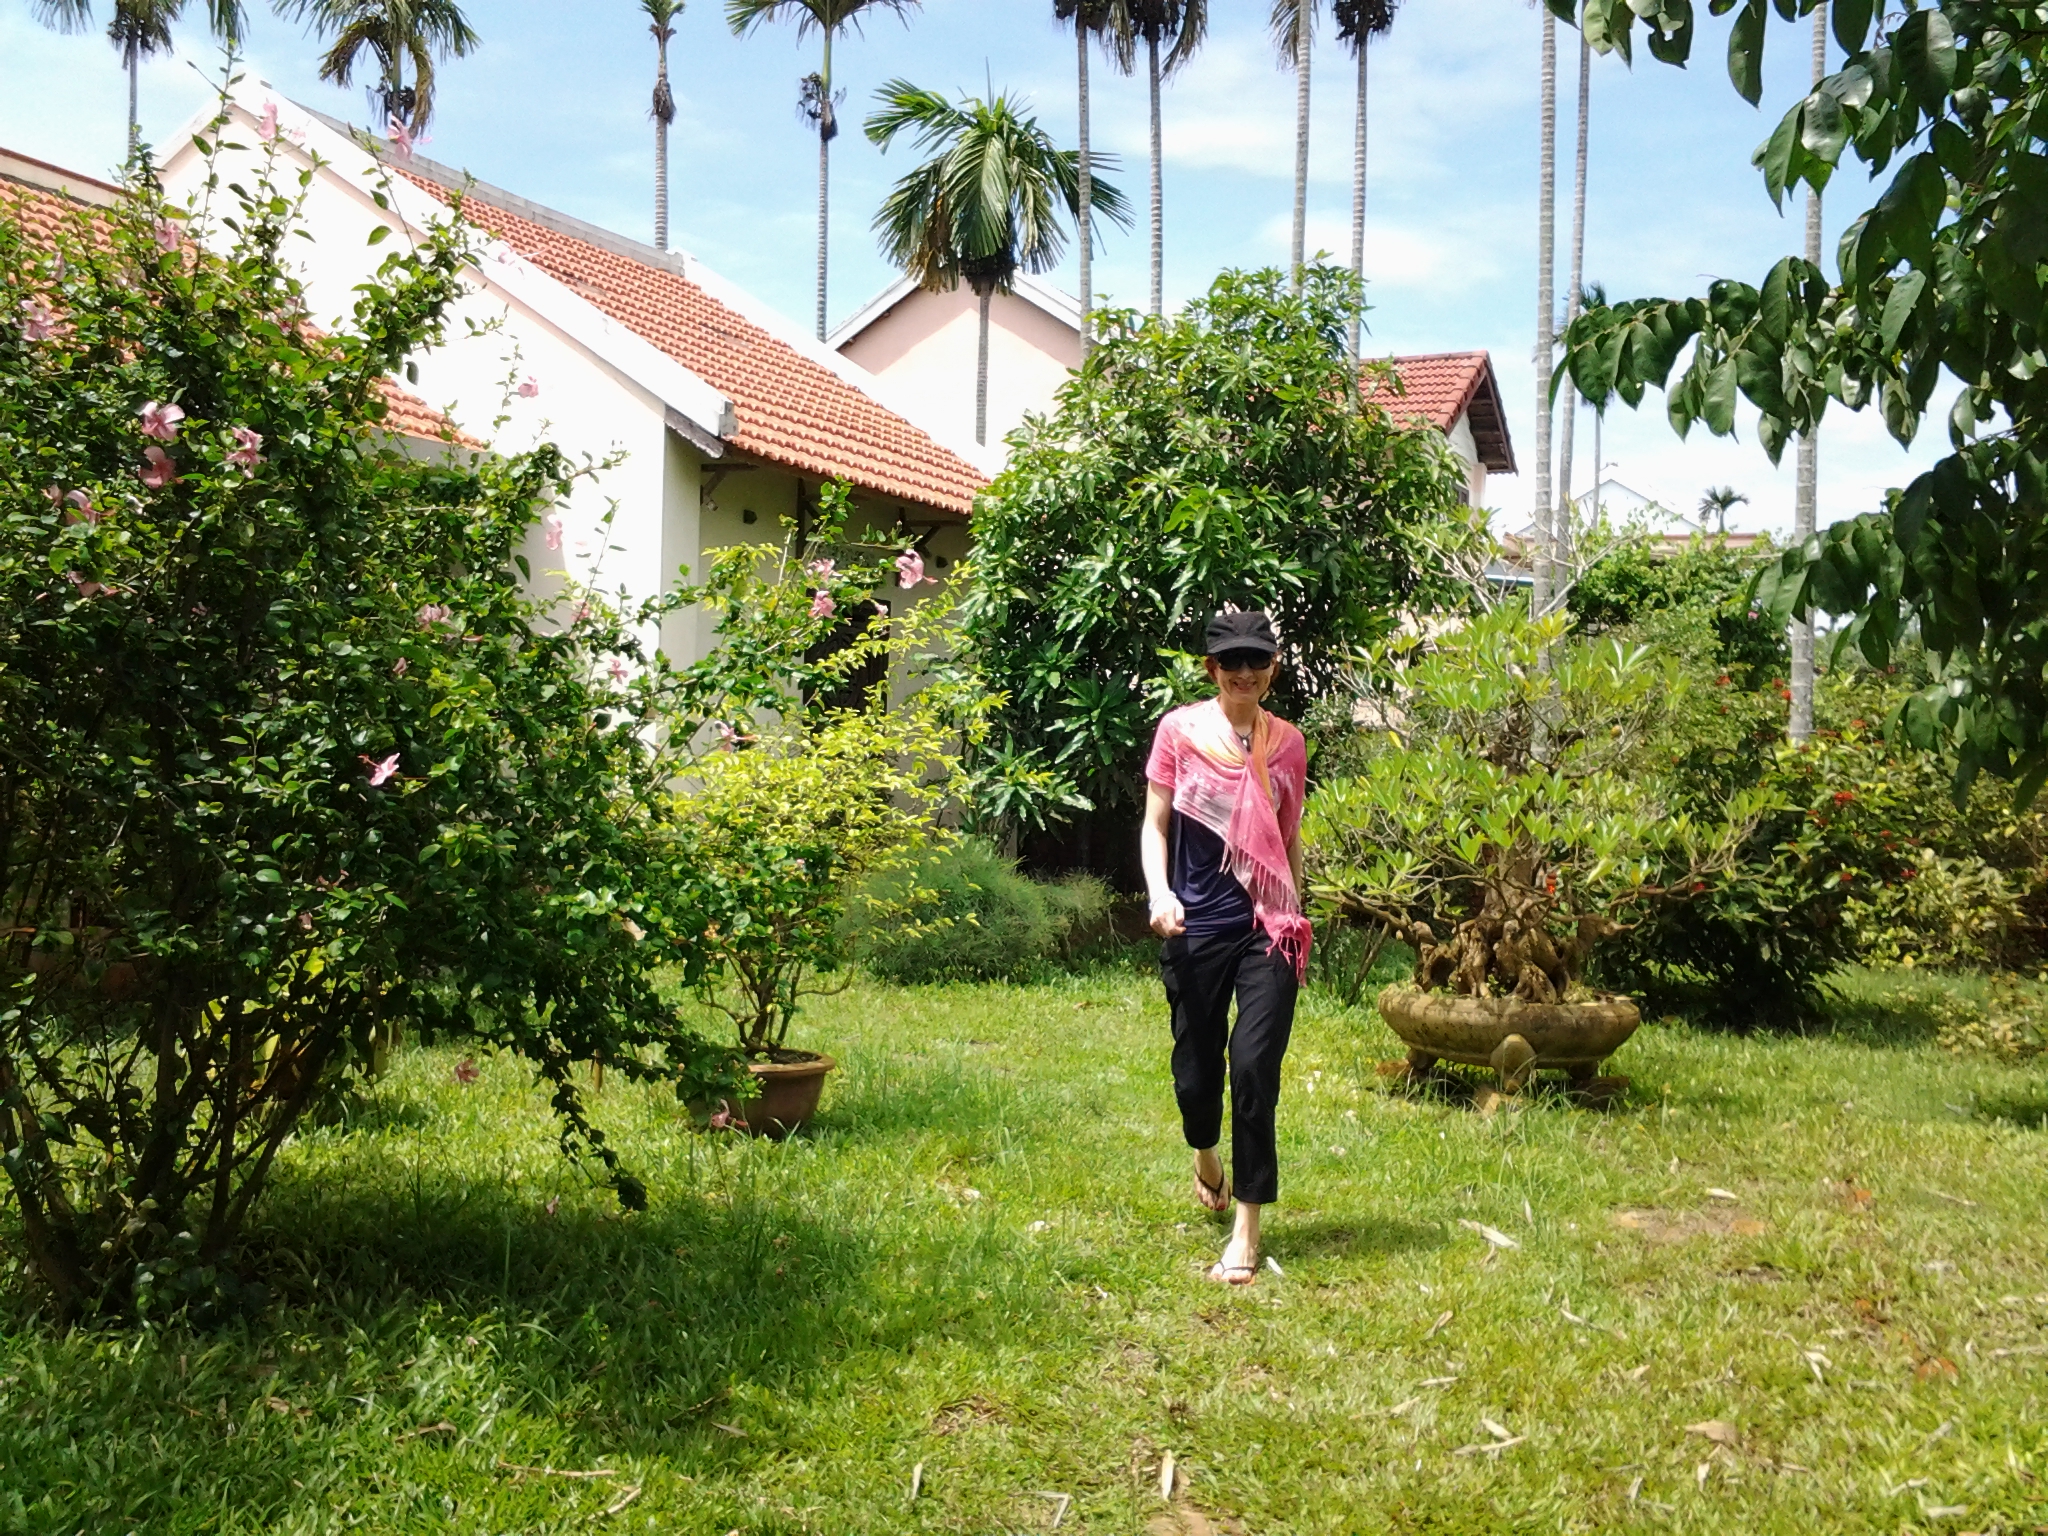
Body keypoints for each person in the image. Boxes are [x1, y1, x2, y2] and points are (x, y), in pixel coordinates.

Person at [1140, 609, 1311, 1285]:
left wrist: (1293, 910)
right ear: (1212, 668)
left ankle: (1247, 1229)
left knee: (1254, 1066)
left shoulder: (1289, 744)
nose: (1245, 672)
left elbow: (1288, 835)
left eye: (1257, 660)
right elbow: (1155, 824)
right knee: (1196, 1074)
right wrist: (1160, 893)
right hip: (1196, 926)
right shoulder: (1179, 732)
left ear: (1272, 668)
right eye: (1231, 661)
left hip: (1269, 928)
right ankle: (1204, 1152)